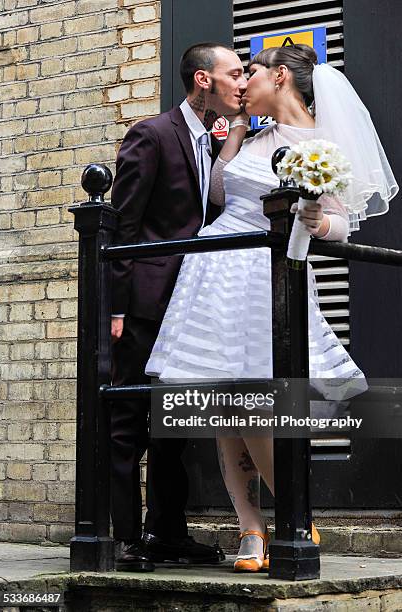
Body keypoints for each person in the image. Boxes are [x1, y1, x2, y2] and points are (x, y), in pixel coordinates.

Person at [145, 44, 398, 571]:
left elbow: (343, 222)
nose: (242, 83)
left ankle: (292, 513)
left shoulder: (324, 144)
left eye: (251, 73)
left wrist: (317, 223)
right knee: (221, 403)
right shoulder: (254, 135)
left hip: (263, 276)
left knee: (256, 400)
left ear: (280, 76)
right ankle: (251, 531)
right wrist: (236, 130)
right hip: (213, 271)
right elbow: (219, 193)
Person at [110, 42, 248, 571]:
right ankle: (123, 539)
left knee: (176, 425)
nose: (243, 80)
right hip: (146, 304)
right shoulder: (152, 133)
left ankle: (167, 533)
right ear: (203, 80)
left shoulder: (214, 139)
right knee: (129, 424)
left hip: (191, 305)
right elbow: (124, 227)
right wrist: (117, 310)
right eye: (234, 73)